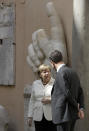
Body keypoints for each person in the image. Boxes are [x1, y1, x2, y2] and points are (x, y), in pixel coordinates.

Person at [49, 50, 84, 131]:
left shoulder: (60, 73)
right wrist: (81, 108)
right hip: (72, 115)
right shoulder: (73, 72)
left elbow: (66, 93)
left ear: (52, 62)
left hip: (63, 115)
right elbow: (80, 92)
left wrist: (77, 106)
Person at [27, 64, 57, 131]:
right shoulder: (35, 84)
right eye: (44, 72)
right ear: (40, 74)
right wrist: (30, 116)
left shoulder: (55, 83)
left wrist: (50, 99)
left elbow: (59, 97)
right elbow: (32, 100)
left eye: (48, 71)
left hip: (51, 116)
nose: (47, 73)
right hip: (38, 116)